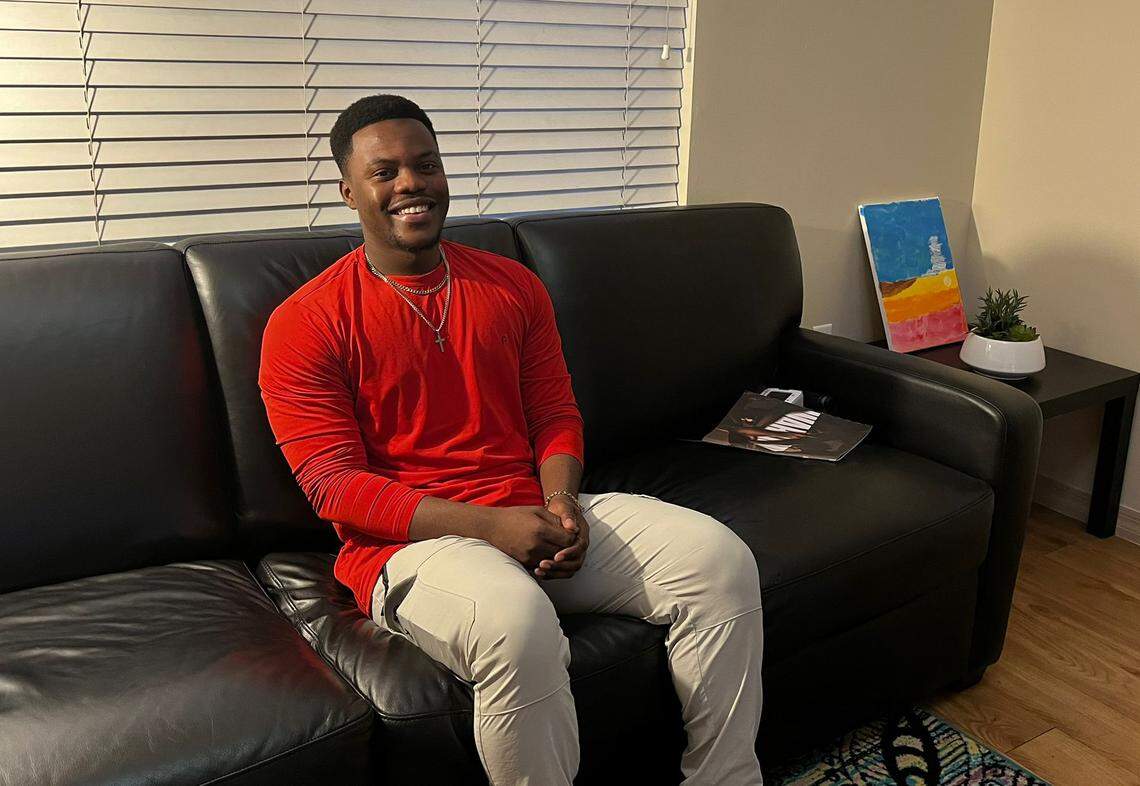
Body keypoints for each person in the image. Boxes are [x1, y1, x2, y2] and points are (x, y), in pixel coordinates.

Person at [258, 94, 764, 785]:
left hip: (530, 514)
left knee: (718, 560)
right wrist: (490, 527)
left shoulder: (512, 286)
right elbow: (333, 488)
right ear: (349, 192)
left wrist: (563, 504)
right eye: (384, 172)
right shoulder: (306, 322)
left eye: (426, 165)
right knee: (515, 623)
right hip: (408, 549)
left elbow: (554, 412)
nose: (411, 183)